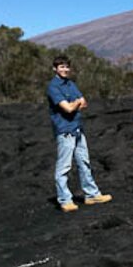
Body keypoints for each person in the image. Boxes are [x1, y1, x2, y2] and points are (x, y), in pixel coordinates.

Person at [46, 56, 112, 212]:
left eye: (66, 67)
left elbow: (84, 102)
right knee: (64, 167)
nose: (65, 69)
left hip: (77, 128)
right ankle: (65, 200)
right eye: (61, 67)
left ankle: (92, 195)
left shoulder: (71, 83)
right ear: (55, 69)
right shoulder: (53, 87)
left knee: (84, 162)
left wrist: (73, 104)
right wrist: (75, 103)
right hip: (65, 130)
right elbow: (68, 108)